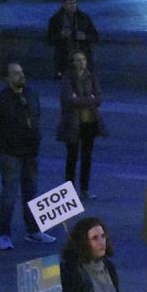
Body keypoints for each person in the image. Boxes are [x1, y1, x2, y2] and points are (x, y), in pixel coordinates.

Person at [0, 62, 56, 250]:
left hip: (31, 152)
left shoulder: (31, 94)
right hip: (10, 153)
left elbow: (36, 118)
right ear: (7, 78)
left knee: (31, 192)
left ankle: (33, 230)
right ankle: (4, 234)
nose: (21, 76)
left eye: (22, 72)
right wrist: (3, 147)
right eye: (16, 73)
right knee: (9, 194)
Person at [57, 51, 105, 201]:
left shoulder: (91, 76)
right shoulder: (68, 78)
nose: (81, 63)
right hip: (72, 123)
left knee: (87, 157)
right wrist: (88, 99)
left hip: (89, 122)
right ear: (73, 62)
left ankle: (84, 189)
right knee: (71, 158)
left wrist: (80, 99)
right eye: (78, 60)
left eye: (83, 59)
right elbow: (68, 100)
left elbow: (99, 98)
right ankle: (69, 191)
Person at [47, 0, 98, 78]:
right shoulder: (55, 20)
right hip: (64, 60)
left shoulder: (84, 18)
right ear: (64, 5)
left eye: (74, 3)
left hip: (83, 59)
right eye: (70, 3)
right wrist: (61, 36)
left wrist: (85, 37)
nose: (73, 6)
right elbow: (49, 40)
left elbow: (95, 36)